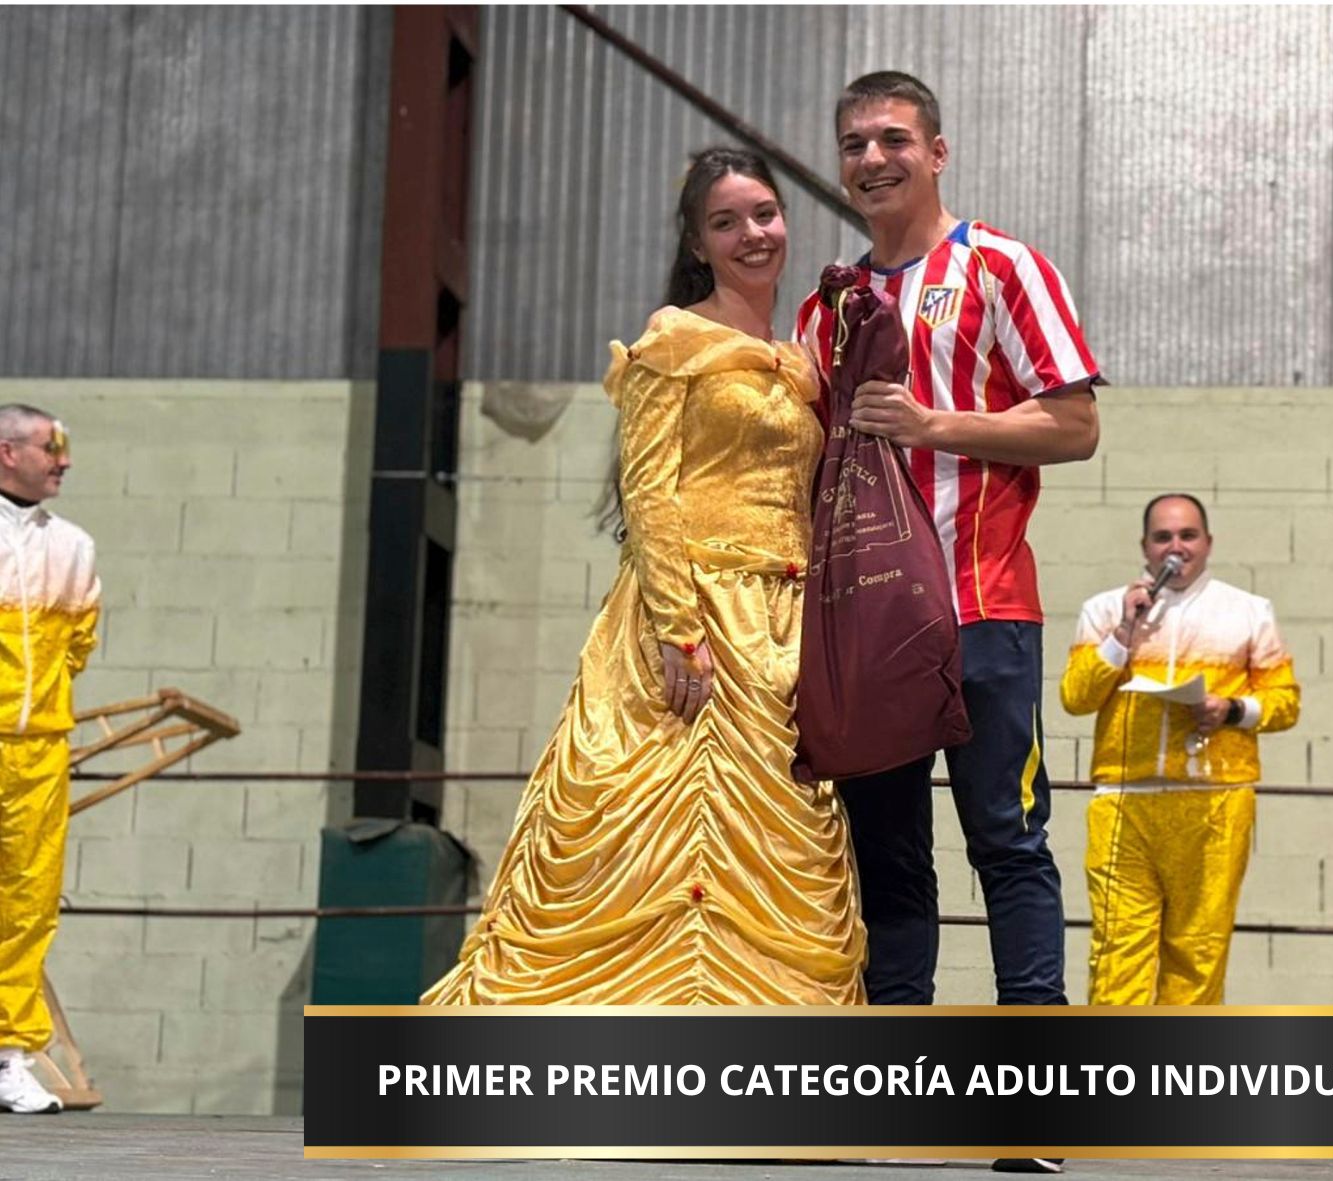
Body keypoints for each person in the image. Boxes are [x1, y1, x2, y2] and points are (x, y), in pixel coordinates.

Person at [425, 148, 864, 1006]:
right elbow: (650, 489)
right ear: (698, 244)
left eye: (764, 214)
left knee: (779, 831)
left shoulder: (804, 358)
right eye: (726, 222)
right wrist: (679, 629)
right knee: (655, 819)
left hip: (783, 628)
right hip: (692, 618)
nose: (752, 234)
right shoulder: (673, 341)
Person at [795, 72, 1100, 1013]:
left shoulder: (1003, 268)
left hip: (983, 609)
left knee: (1007, 838)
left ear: (937, 152)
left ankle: (1033, 1059)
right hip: (865, 629)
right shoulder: (825, 309)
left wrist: (931, 425)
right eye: (854, 144)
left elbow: (1076, 426)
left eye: (893, 139)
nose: (873, 158)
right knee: (885, 852)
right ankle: (894, 1064)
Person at [1059, 494, 1301, 1007]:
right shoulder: (1106, 610)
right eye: (1163, 537)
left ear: (1208, 543)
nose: (1176, 547)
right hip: (1125, 801)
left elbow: (1285, 703)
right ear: (1145, 546)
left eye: (1187, 536)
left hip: (1215, 800)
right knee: (1117, 950)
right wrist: (1121, 636)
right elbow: (1076, 697)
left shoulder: (1247, 612)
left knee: (1198, 951)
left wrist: (1232, 709)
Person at [0, 406, 99, 1115]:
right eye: (50, 447)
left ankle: (8, 1055)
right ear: (8, 452)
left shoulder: (73, 547)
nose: (62, 460)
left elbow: (78, 645)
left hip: (38, 747)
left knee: (28, 900)